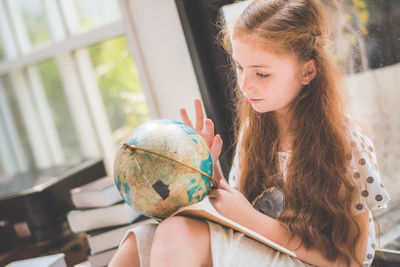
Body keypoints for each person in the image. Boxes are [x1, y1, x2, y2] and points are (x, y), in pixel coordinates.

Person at [109, 0, 390, 266]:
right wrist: (205, 169)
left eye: (262, 74)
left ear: (308, 71)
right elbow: (243, 215)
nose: (245, 85)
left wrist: (248, 218)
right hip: (264, 249)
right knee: (140, 241)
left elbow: (350, 260)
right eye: (239, 67)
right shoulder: (255, 129)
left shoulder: (345, 141)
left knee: (176, 234)